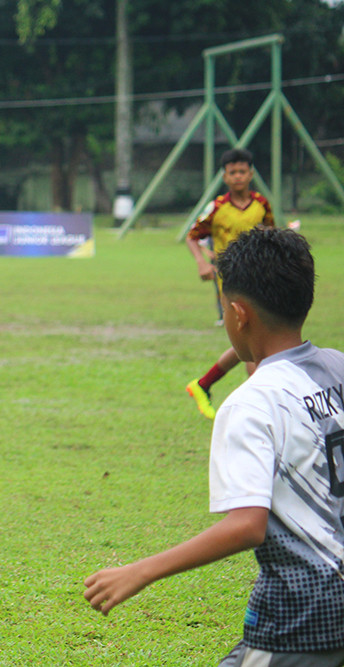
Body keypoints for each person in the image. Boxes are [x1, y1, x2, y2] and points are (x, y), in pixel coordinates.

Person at [84, 227, 344, 666]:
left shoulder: (250, 404)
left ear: (239, 315)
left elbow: (247, 525)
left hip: (302, 616)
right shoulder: (337, 366)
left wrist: (140, 570)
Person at [184, 148, 274, 419]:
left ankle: (204, 384)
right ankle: (259, 407)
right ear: (225, 176)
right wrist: (202, 261)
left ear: (251, 174)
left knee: (251, 341)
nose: (237, 176)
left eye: (242, 171)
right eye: (232, 172)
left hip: (260, 279)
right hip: (232, 282)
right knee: (254, 341)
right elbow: (192, 236)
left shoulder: (261, 204)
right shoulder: (218, 206)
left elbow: (270, 234)